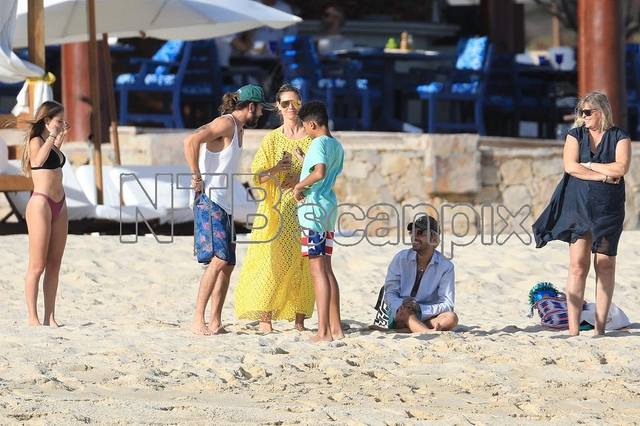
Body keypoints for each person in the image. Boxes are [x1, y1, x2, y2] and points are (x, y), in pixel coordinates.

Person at [533, 91, 631, 336]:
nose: (583, 117)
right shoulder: (574, 135)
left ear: (602, 112)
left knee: (605, 264)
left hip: (608, 208)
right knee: (578, 265)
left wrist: (589, 165)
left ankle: (600, 329)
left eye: (588, 112)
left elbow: (621, 168)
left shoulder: (620, 137)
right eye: (581, 112)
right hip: (578, 205)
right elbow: (570, 167)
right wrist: (603, 175)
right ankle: (573, 330)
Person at [183, 84, 269, 335]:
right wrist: (196, 176)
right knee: (219, 259)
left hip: (225, 202)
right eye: (261, 108)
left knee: (228, 262)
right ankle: (198, 319)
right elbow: (191, 140)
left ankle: (215, 321)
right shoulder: (227, 123)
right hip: (211, 199)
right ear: (251, 106)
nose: (262, 113)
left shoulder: (238, 128)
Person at [234, 84, 314, 333]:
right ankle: (265, 318)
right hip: (276, 211)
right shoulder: (272, 139)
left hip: (304, 209)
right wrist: (277, 169)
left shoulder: (313, 139)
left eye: (295, 102)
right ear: (278, 107)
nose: (291, 108)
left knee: (304, 263)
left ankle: (299, 320)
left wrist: (300, 176)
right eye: (286, 103)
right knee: (270, 263)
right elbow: (258, 175)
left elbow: (322, 172)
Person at [293, 101, 344, 342]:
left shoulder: (318, 143)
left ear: (312, 124)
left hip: (313, 209)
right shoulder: (336, 144)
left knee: (317, 270)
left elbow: (319, 172)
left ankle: (322, 331)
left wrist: (298, 186)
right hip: (329, 209)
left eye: (305, 126)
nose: (304, 130)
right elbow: (325, 172)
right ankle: (336, 328)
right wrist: (306, 162)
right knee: (328, 269)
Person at [21, 100, 70, 326]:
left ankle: (50, 315)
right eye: (58, 121)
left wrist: (61, 136)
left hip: (60, 204)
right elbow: (38, 160)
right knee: (37, 264)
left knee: (55, 263)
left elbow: (53, 158)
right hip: (41, 204)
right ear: (47, 121)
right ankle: (33, 316)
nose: (61, 124)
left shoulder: (50, 142)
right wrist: (52, 135)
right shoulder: (35, 141)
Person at [384, 215, 458, 333]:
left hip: (426, 314)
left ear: (434, 239)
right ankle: (426, 331)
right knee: (405, 313)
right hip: (400, 313)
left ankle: (409, 329)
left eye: (420, 233)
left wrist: (420, 309)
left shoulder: (446, 266)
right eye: (412, 233)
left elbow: (447, 303)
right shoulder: (400, 258)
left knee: (451, 318)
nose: (415, 237)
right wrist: (402, 306)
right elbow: (390, 293)